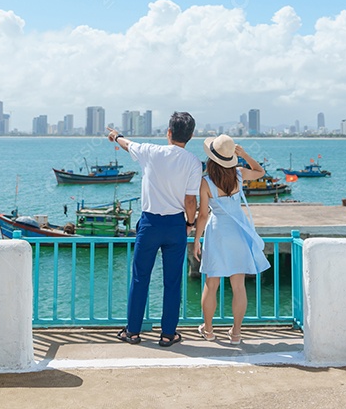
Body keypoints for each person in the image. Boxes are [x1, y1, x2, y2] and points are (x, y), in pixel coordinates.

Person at [108, 112, 202, 347]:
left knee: (140, 278)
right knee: (172, 282)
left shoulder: (150, 151)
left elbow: (127, 143)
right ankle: (168, 334)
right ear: (190, 136)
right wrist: (189, 224)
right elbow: (191, 201)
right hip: (176, 225)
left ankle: (133, 332)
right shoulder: (193, 162)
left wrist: (115, 135)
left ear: (168, 132)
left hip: (149, 224)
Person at [193, 134, 270, 345]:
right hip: (238, 232)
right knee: (238, 286)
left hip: (217, 233)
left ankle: (208, 330)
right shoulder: (238, 175)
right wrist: (244, 154)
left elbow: (202, 215)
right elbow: (260, 172)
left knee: (211, 284)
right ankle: (236, 333)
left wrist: (197, 240)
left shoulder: (206, 182)